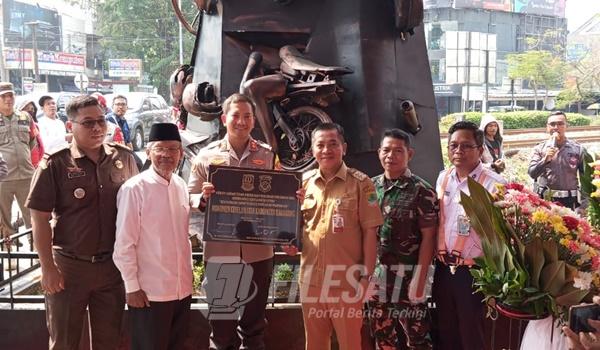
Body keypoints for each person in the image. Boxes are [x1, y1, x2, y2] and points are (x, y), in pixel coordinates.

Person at [26, 95, 138, 350]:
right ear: (70, 126)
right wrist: (47, 267)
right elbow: (39, 218)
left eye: (100, 121)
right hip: (69, 268)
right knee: (65, 340)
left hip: (112, 267)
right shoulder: (55, 163)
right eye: (88, 123)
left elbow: (136, 209)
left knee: (110, 340)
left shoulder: (124, 158)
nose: (97, 128)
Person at [187, 93, 277, 350]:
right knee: (222, 325)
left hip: (259, 251)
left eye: (247, 116)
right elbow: (191, 197)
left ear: (253, 120)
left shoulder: (269, 155)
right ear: (225, 119)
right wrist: (203, 198)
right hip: (220, 252)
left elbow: (280, 198)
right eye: (236, 115)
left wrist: (292, 200)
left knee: (254, 326)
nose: (242, 121)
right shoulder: (206, 156)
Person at [284, 122, 384, 350]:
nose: (326, 150)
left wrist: (366, 278)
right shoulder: (303, 183)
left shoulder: (361, 184)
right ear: (312, 150)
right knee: (315, 344)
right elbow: (298, 228)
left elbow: (371, 234)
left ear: (344, 148)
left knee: (350, 343)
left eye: (333, 144)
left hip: (347, 282)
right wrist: (291, 243)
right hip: (311, 282)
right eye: (320, 145)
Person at [114, 123, 192, 350]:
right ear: (148, 152)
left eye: (173, 149)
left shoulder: (180, 185)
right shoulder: (134, 189)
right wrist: (131, 287)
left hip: (181, 289)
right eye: (160, 149)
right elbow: (124, 244)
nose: (167, 155)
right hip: (150, 293)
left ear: (181, 153)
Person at [432, 121, 505, 350]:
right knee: (446, 332)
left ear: (480, 150)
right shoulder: (443, 178)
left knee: (472, 334)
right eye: (453, 146)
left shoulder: (494, 185)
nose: (458, 151)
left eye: (466, 146)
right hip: (444, 270)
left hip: (474, 273)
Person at [366, 129, 437, 349]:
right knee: (383, 337)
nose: (391, 156)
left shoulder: (422, 191)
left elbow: (429, 238)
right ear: (379, 152)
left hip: (409, 278)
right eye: (386, 150)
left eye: (398, 151)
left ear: (410, 154)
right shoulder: (369, 187)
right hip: (378, 279)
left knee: (418, 338)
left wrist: (420, 278)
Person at [528, 111, 586, 210]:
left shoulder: (578, 149)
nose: (556, 127)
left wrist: (584, 206)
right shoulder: (539, 148)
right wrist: (545, 160)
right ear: (547, 127)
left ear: (566, 126)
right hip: (546, 200)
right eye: (552, 124)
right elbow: (532, 173)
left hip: (570, 201)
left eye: (560, 124)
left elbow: (585, 179)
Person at [0, 82, 35, 242]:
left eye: (11, 95)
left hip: (26, 175)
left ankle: (36, 251)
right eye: (3, 96)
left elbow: (33, 141)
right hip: (3, 179)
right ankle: (9, 255)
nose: (8, 99)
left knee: (33, 215)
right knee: (4, 219)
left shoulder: (25, 117)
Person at [17, 99, 45, 168]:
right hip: (26, 163)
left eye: (32, 109)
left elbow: (39, 144)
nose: (30, 110)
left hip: (38, 161)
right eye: (27, 108)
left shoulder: (36, 126)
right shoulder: (17, 127)